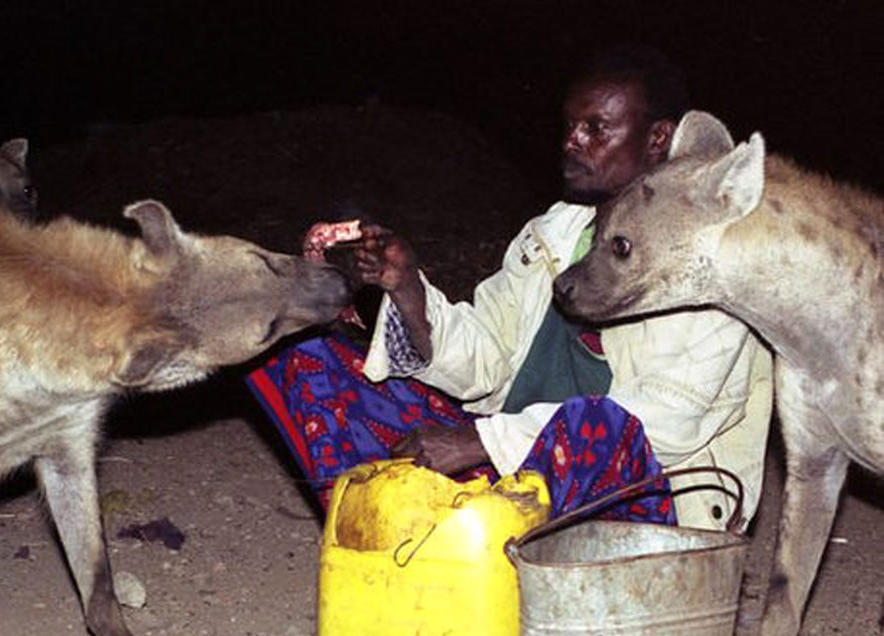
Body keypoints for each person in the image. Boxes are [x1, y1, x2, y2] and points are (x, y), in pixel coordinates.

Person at [247, 45, 774, 530]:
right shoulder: (555, 234)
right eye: (570, 125)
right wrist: (406, 287)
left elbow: (662, 425)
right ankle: (411, 542)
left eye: (597, 128)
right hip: (508, 470)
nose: (573, 141)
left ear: (657, 138)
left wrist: (478, 442)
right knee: (305, 356)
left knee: (601, 426)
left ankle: (483, 550)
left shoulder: (704, 266)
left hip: (635, 502)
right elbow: (487, 359)